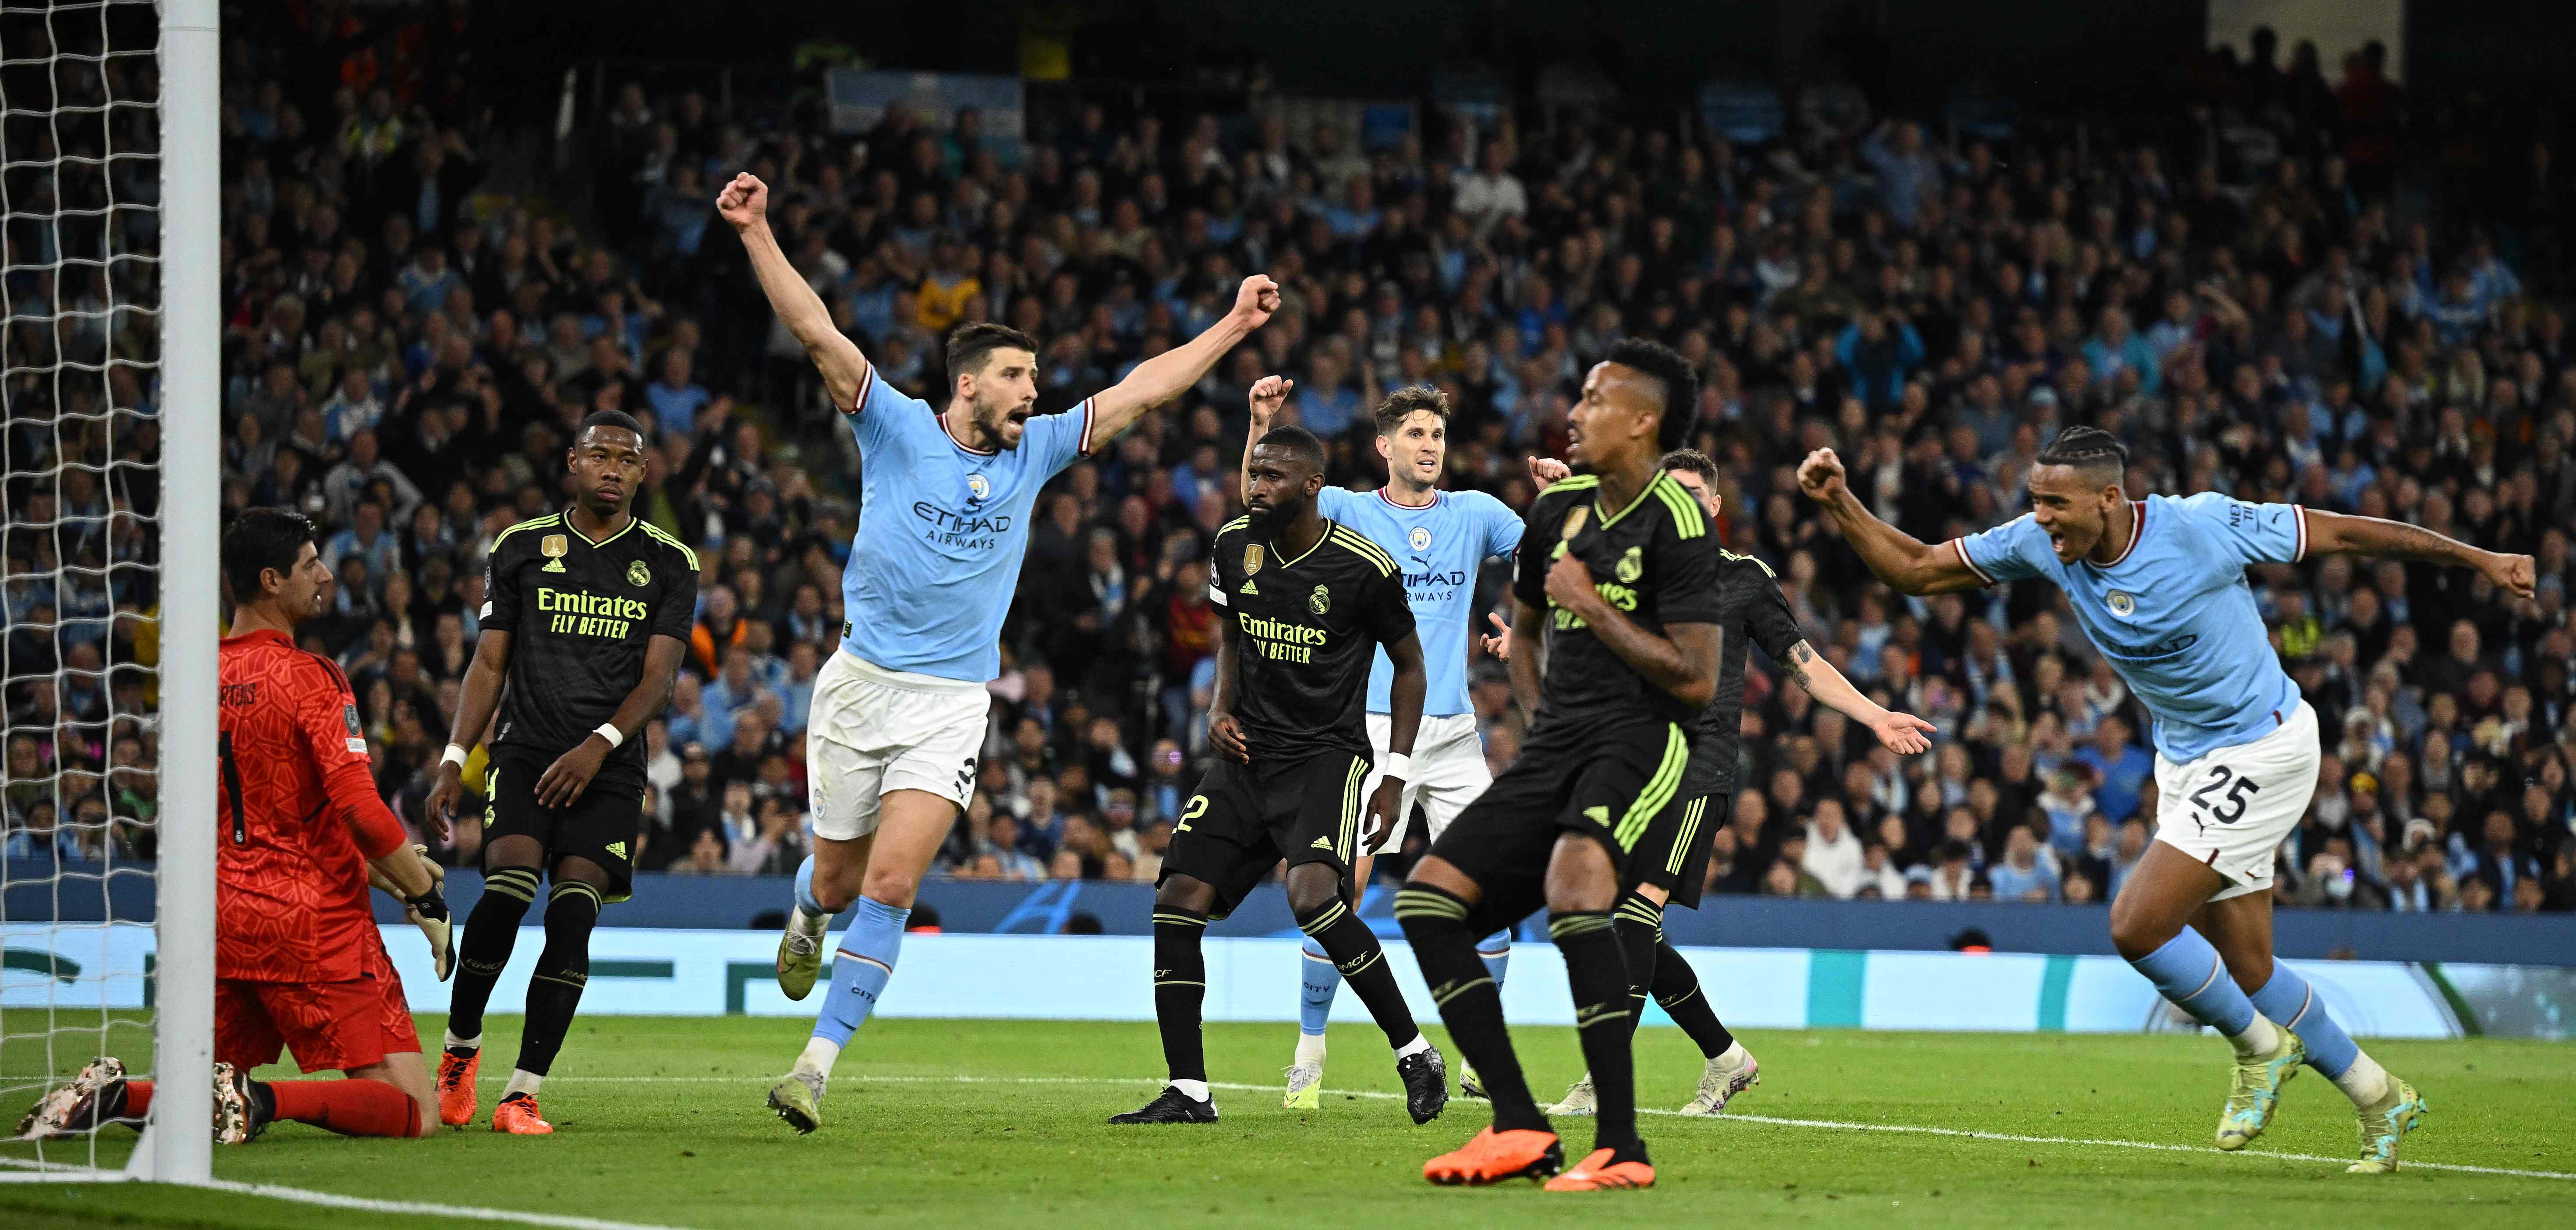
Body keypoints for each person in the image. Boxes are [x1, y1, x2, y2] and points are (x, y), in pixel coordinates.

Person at [1796, 425, 2537, 1173]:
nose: (2042, 517)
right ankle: (2382, 1098)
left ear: (2110, 499)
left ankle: (2259, 1052)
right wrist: (1841, 502)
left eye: (2057, 503)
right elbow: (1920, 569)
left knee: (2138, 923)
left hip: (2265, 747)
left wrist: (2479, 559)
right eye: (2036, 502)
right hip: (2185, 764)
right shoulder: (2039, 542)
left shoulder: (2201, 526)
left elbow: (2346, 535)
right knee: (2251, 971)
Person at [718, 170, 1280, 1134]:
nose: (1035, 391)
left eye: (1037, 378)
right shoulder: (894, 428)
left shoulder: (1039, 450)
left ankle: (814, 1066)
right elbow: (818, 333)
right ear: (971, 385)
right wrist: (758, 230)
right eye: (1019, 377)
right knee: (839, 881)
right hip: (859, 688)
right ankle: (810, 914)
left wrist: (1232, 327)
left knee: (894, 885)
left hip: (950, 702)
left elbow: (1143, 390)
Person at [1396, 339, 1724, 1191]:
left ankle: (1621, 1145)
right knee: (1429, 902)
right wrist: (1542, 720)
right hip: (1558, 747)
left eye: (1593, 400)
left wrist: (1595, 608)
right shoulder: (1556, 512)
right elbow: (1527, 631)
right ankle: (1519, 1125)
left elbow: (1697, 677)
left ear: (1642, 422)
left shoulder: (1681, 524)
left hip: (1645, 740)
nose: (1574, 413)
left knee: (1578, 888)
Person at [19, 509, 451, 1145]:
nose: (325, 575)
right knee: (415, 1109)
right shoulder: (313, 677)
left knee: (203, 1087)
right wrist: (424, 894)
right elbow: (360, 806)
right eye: (310, 565)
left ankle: (112, 1097)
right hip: (312, 924)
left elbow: (256, 823)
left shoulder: (197, 679)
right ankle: (266, 1102)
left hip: (224, 918)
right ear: (272, 580)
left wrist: (386, 875)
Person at [1536, 447, 1936, 1119]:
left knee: (1636, 913)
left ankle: (1604, 1079)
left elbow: (1802, 662)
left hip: (1699, 768)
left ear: (1715, 507)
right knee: (1631, 928)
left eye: (1697, 494)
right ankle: (1727, 1059)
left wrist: (1872, 716)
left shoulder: (1742, 580)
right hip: (1632, 765)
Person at [1109, 425, 1445, 1126]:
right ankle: (1189, 1091)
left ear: (1312, 486)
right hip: (1246, 755)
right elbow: (1230, 630)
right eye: (1254, 473)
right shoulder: (1236, 544)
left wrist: (1394, 776)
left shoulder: (1363, 567)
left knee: (1315, 899)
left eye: (1272, 477)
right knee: (1176, 900)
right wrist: (1218, 707)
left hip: (1325, 757)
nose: (1257, 486)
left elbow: (1413, 667)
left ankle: (1415, 1052)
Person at [1243, 380, 1523, 1109]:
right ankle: (1310, 1045)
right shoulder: (1348, 509)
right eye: (1417, 435)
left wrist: (1526, 619)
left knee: (1494, 894)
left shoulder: (1477, 514)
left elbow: (1549, 552)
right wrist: (1260, 429)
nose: (1431, 446)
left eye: (1438, 435)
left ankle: (1475, 1050)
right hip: (1368, 728)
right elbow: (1262, 506)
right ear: (1385, 447)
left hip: (1456, 733)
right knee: (1343, 891)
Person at [424, 409, 700, 1134]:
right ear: (573, 463)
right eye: (599, 455)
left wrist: (599, 746)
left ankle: (522, 1094)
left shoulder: (671, 562)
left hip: (610, 764)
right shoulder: (519, 548)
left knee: (574, 912)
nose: (612, 468)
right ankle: (460, 1049)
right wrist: (456, 758)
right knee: (509, 889)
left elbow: (661, 681)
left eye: (626, 459)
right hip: (524, 750)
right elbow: (490, 662)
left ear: (644, 473)